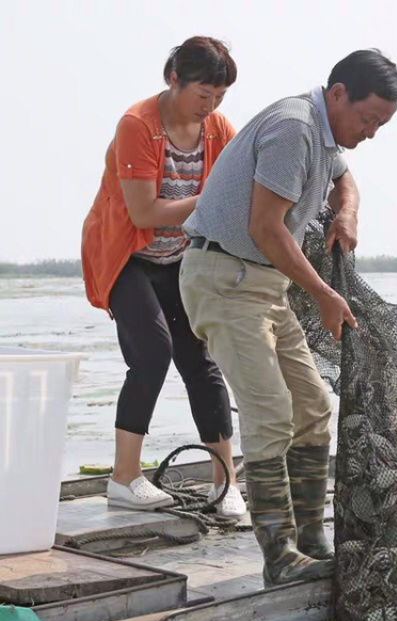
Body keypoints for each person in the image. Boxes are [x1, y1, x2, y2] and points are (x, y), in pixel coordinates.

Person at [180, 49, 397, 585]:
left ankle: (310, 540)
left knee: (312, 405)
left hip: (264, 285)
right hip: (225, 279)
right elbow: (265, 227)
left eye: (381, 124)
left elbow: (344, 181)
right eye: (367, 118)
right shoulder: (294, 129)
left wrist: (346, 211)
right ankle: (279, 555)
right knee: (271, 412)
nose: (371, 132)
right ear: (337, 94)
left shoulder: (327, 136)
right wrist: (325, 293)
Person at [81, 36, 246, 518]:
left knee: (201, 357)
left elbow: (243, 182)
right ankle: (123, 479)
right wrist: (211, 199)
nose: (210, 107)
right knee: (153, 352)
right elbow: (144, 212)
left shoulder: (218, 128)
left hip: (180, 257)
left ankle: (227, 485)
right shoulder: (138, 125)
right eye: (202, 96)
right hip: (125, 253)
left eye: (219, 98)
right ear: (173, 79)